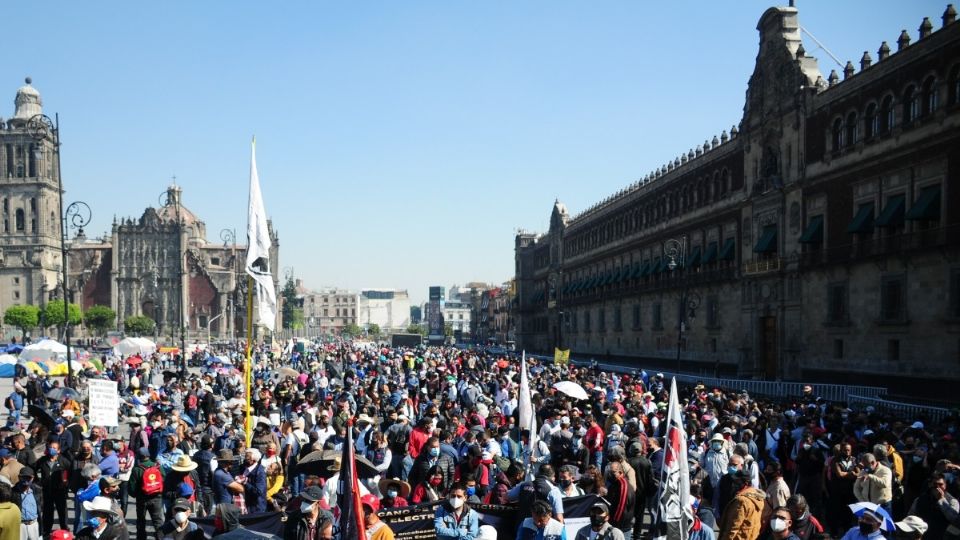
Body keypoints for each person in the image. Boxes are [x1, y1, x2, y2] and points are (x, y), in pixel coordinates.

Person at [907, 473, 958, 539]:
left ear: (945, 486)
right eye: (935, 484)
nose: (937, 487)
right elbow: (910, 516)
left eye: (940, 484)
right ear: (929, 485)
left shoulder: (952, 501)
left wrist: (941, 500)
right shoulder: (920, 499)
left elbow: (954, 519)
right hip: (923, 535)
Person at [718, 471, 766, 540]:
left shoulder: (741, 501)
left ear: (745, 483)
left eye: (737, 482)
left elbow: (733, 527)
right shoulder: (757, 497)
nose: (733, 484)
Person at [130, 447, 165, 540]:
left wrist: (135, 495)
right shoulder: (157, 466)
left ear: (139, 456)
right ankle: (161, 538)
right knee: (157, 521)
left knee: (141, 521)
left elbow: (132, 487)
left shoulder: (137, 469)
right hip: (156, 497)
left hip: (142, 499)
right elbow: (164, 479)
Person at [36, 439, 68, 536]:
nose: (51, 449)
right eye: (50, 447)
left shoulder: (64, 461)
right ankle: (46, 531)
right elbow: (33, 469)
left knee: (62, 511)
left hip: (60, 491)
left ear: (58, 450)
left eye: (54, 448)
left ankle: (64, 530)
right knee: (47, 512)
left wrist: (66, 483)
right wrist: (38, 481)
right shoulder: (42, 460)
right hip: (47, 491)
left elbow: (70, 473)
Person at [14, 466, 42, 540]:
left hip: (34, 525)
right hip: (20, 525)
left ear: (32, 478)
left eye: (28, 478)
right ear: (19, 477)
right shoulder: (13, 492)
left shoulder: (38, 490)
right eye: (23, 477)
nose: (25, 480)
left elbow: (41, 506)